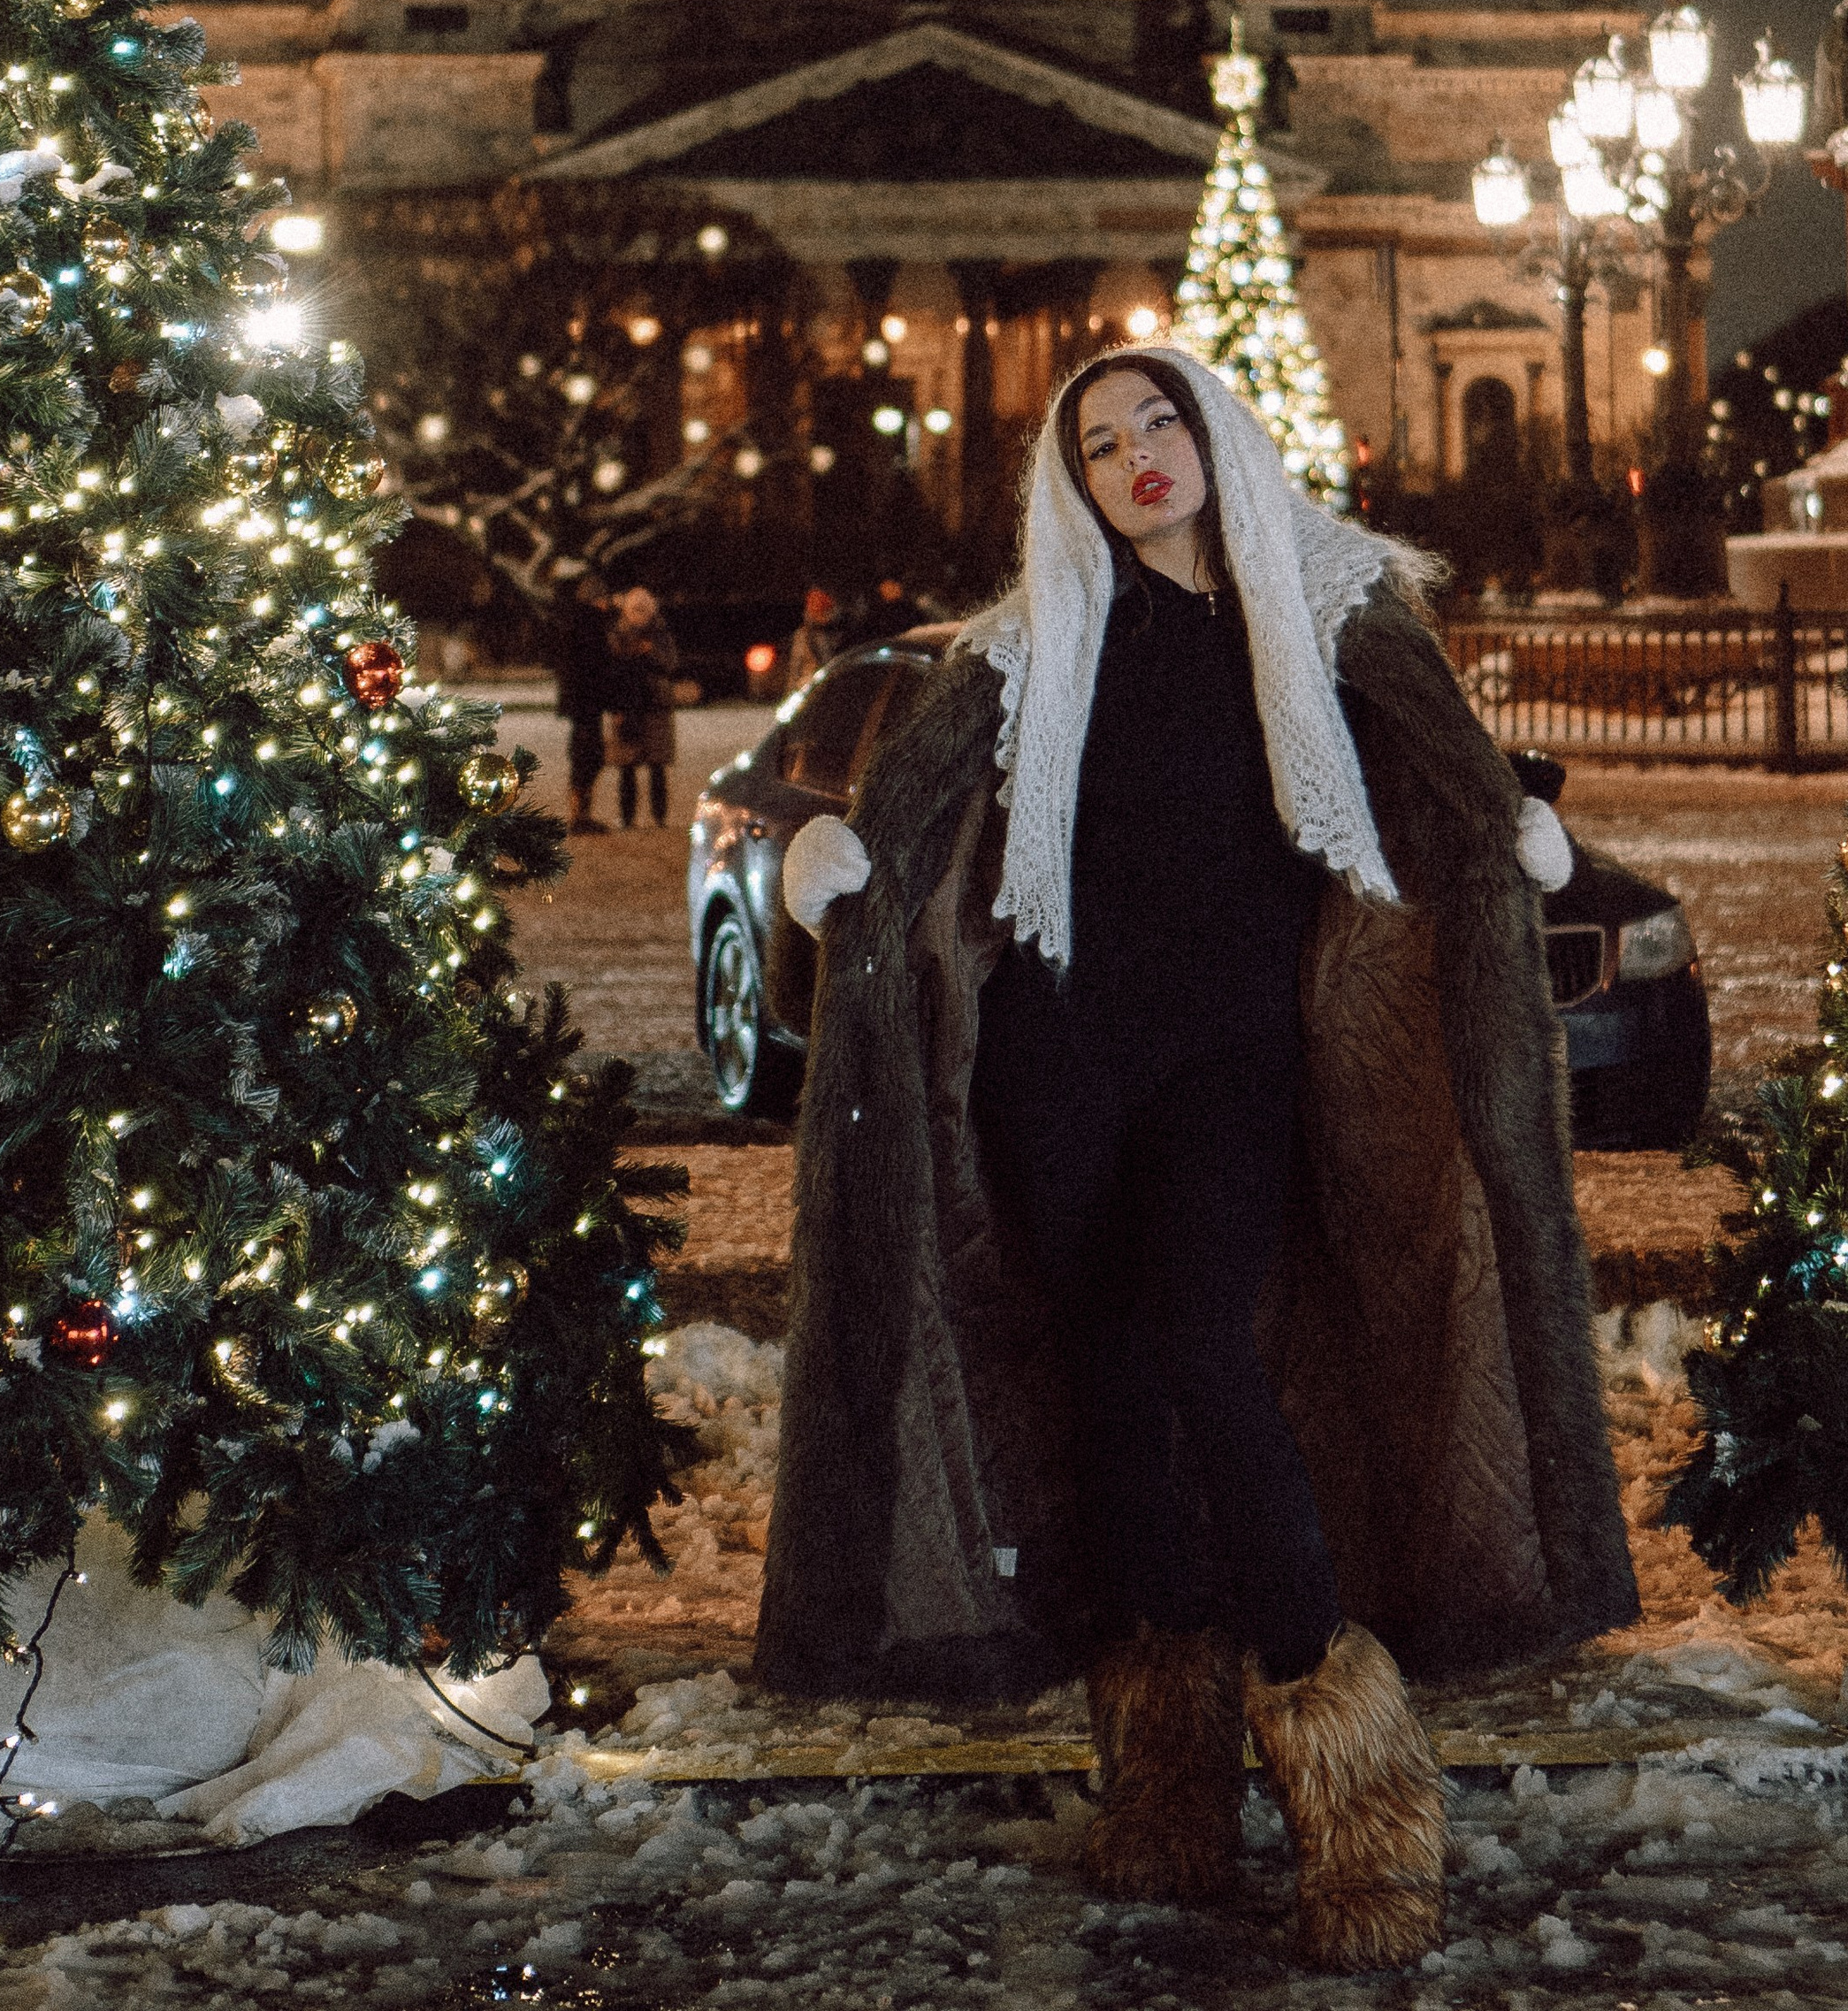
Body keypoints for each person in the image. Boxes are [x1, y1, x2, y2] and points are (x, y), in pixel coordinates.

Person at [758, 346, 1634, 1972]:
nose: (1138, 455)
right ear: (1071, 482)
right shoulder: (1032, 644)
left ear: (1216, 433)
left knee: (1205, 1362)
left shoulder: (1333, 606)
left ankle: (1355, 1782)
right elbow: (911, 809)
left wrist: (1505, 838)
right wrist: (832, 860)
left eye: (1160, 420)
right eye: (1101, 442)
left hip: (1229, 1068)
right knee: (1107, 1385)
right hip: (1057, 1056)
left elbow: (1435, 773)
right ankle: (1165, 1777)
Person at [602, 584, 682, 830]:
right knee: (627, 767)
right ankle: (628, 818)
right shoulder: (618, 634)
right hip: (628, 705)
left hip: (655, 706)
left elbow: (671, 663)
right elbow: (612, 669)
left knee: (657, 767)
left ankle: (659, 817)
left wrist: (651, 653)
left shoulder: (660, 633)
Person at [545, 569, 615, 837]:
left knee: (583, 756)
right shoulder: (592, 624)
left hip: (578, 703)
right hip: (588, 702)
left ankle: (580, 813)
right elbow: (597, 666)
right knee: (589, 757)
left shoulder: (572, 623)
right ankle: (580, 815)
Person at [783, 583, 843, 700]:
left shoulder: (837, 633)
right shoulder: (804, 635)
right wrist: (790, 695)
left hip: (828, 687)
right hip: (810, 687)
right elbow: (796, 668)